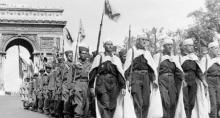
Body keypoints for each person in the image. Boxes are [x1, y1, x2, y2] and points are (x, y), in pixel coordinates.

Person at [124, 35, 159, 118]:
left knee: (146, 102)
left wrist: (153, 79)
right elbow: (127, 67)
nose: (144, 42)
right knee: (138, 101)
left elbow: (151, 67)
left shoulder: (147, 52)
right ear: (138, 40)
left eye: (146, 40)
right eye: (142, 39)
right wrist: (128, 80)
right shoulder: (132, 51)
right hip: (135, 77)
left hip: (146, 77)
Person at [89, 39, 126, 118]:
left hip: (113, 84)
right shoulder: (99, 58)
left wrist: (123, 86)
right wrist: (91, 86)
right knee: (104, 104)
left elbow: (120, 74)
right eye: (108, 44)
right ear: (104, 46)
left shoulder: (116, 59)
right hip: (102, 83)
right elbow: (93, 72)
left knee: (112, 105)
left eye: (111, 44)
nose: (110, 46)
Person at [153, 38, 184, 118]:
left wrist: (183, 79)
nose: (170, 47)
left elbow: (178, 71)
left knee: (173, 102)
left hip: (172, 81)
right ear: (164, 46)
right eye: (168, 45)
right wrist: (155, 80)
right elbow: (155, 69)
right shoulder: (158, 56)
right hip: (162, 80)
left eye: (171, 45)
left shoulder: (174, 58)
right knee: (165, 101)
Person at [180, 38, 209, 118]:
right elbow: (178, 71)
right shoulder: (180, 58)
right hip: (184, 83)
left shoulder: (194, 58)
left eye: (192, 45)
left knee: (192, 103)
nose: (192, 47)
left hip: (193, 82)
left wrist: (204, 81)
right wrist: (182, 80)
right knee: (185, 103)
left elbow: (199, 71)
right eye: (190, 46)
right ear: (185, 47)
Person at [71, 44, 91, 118]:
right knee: (78, 104)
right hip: (78, 83)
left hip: (86, 84)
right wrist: (71, 86)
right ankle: (77, 116)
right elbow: (70, 76)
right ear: (79, 54)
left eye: (85, 53)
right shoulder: (75, 64)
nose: (84, 55)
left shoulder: (90, 64)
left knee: (86, 104)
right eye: (82, 53)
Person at [200, 41, 220, 118]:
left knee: (219, 102)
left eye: (218, 48)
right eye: (216, 48)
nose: (218, 50)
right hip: (210, 82)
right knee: (213, 103)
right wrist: (204, 83)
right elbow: (201, 73)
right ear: (210, 49)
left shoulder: (218, 59)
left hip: (218, 81)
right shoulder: (205, 59)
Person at [62, 50, 75, 118]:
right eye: (69, 56)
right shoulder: (64, 65)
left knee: (72, 98)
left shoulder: (74, 64)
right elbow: (62, 76)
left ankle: (71, 113)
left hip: (73, 83)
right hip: (66, 83)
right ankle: (66, 114)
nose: (71, 57)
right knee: (66, 100)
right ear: (66, 57)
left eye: (72, 55)